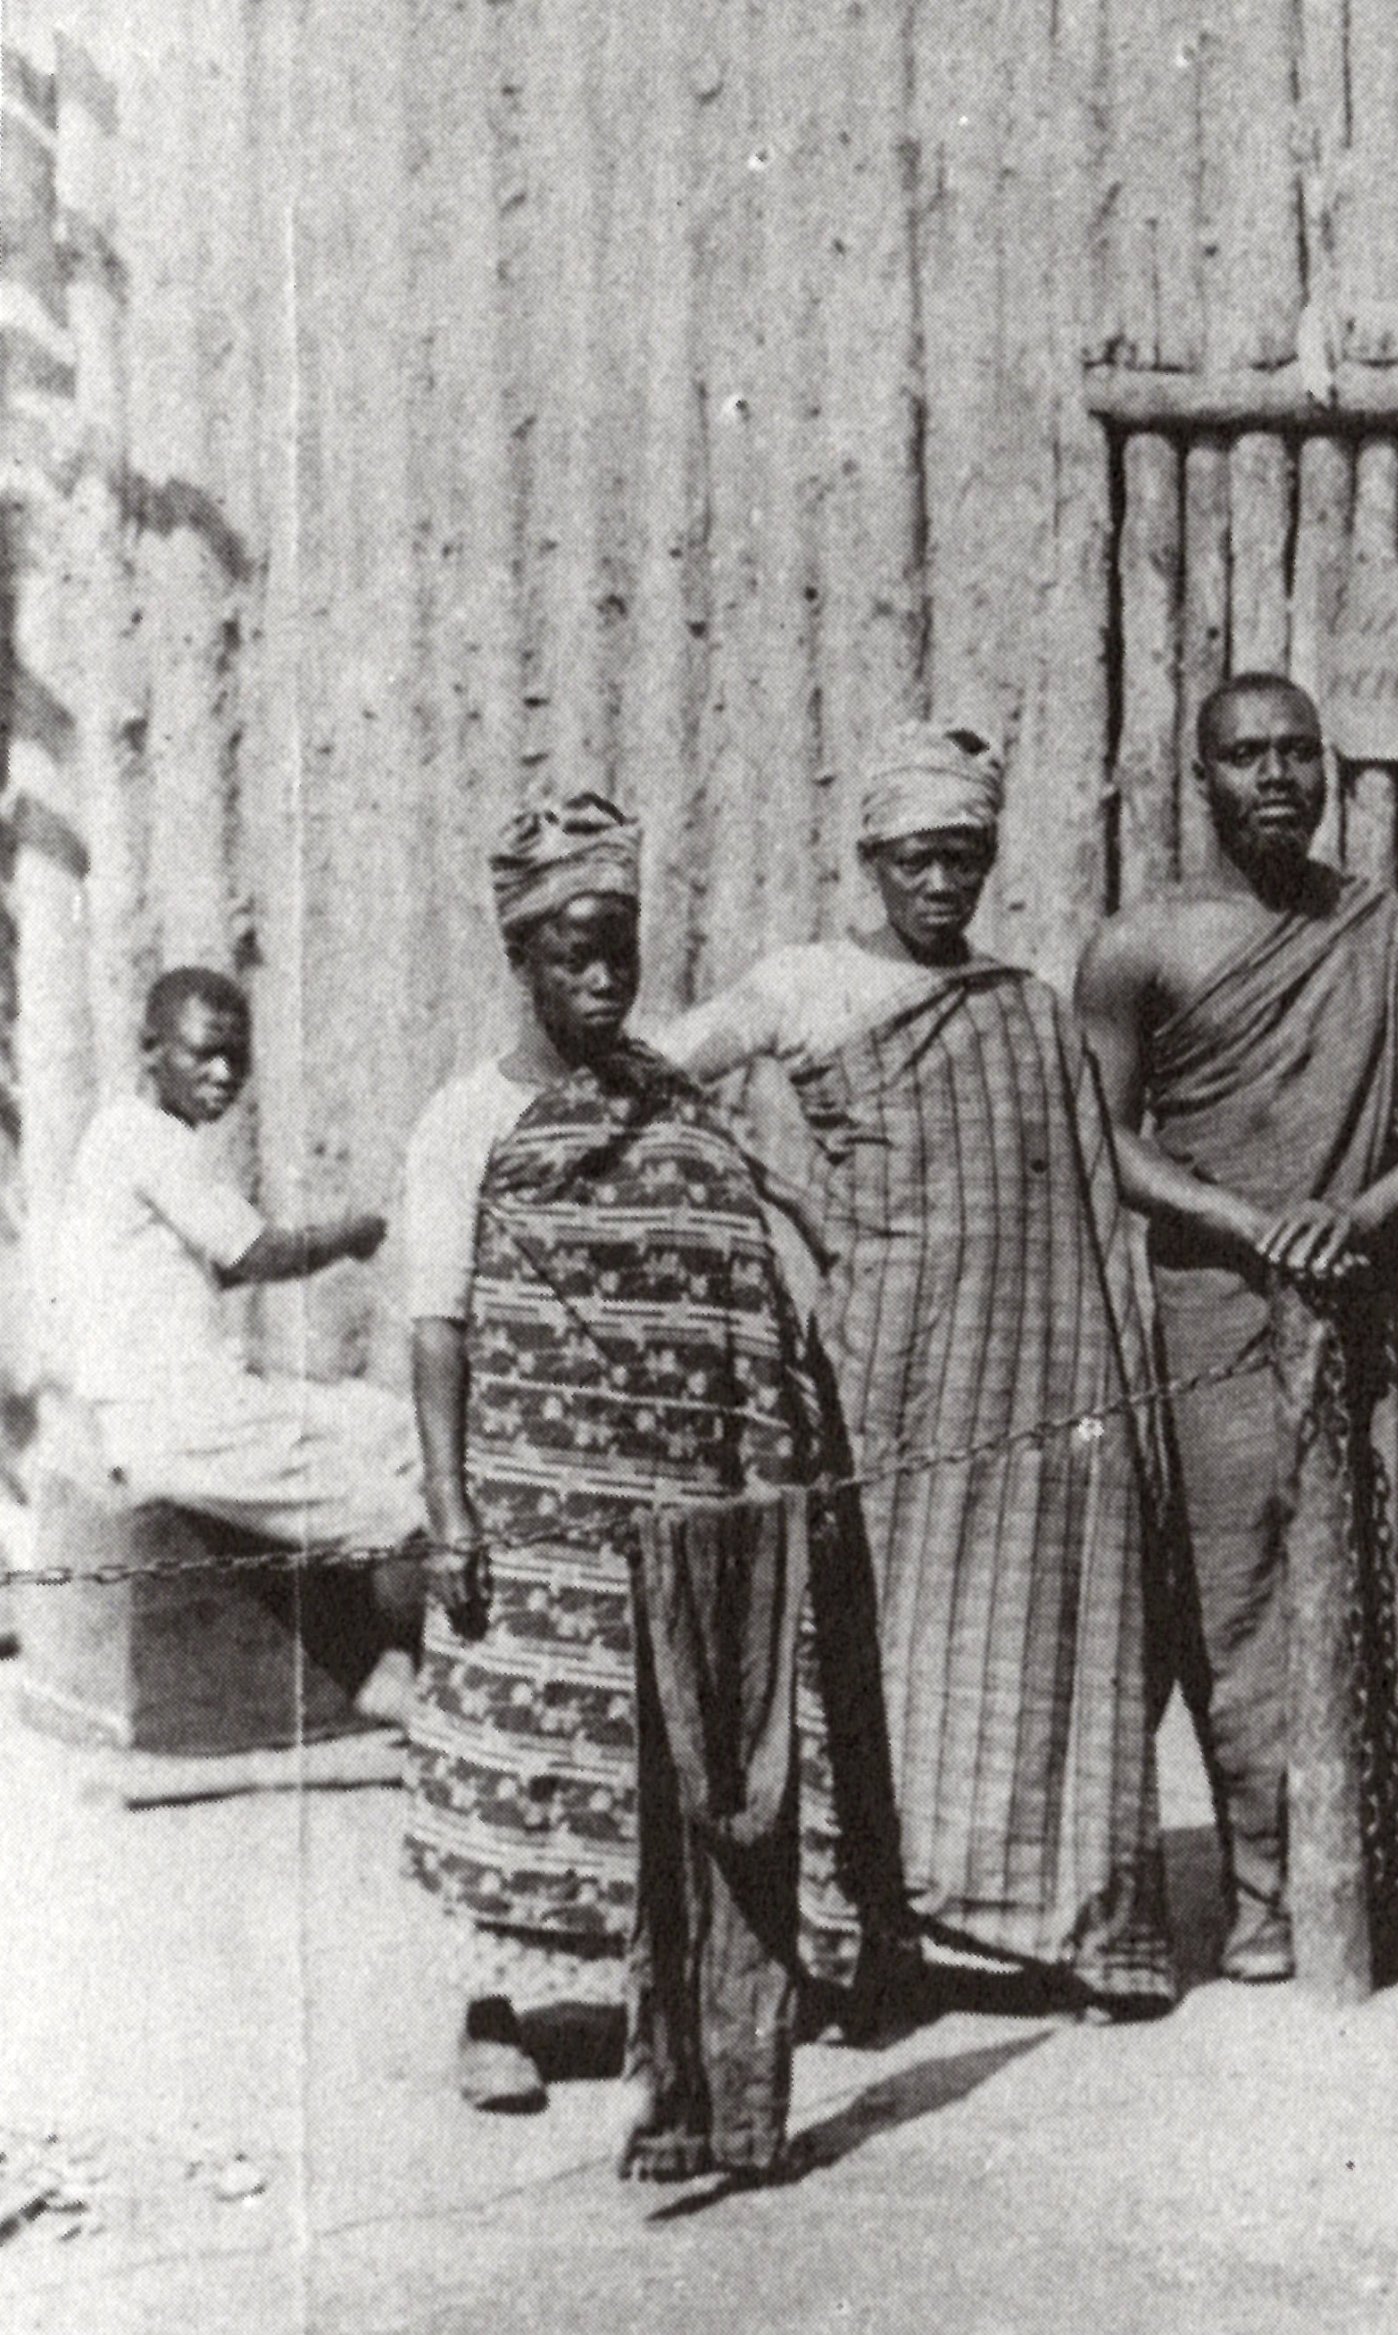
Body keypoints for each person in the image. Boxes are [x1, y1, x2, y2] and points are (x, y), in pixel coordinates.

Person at [657, 723, 1175, 2017]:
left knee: (1025, 1636)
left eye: (963, 858)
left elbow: (1086, 1200)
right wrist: (766, 1195)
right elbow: (657, 1074)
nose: (942, 884)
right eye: (917, 860)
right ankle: (876, 1931)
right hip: (881, 1372)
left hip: (1034, 1380)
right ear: (870, 857)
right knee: (881, 1648)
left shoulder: (1026, 1007)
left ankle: (1038, 1924)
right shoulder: (807, 982)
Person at [402, 793, 848, 2169]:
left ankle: (679, 1994)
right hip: (537, 1501)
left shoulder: (675, 1101)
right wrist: (453, 1509)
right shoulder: (467, 1118)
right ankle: (490, 2010)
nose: (605, 976)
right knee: (519, 1759)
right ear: (521, 955)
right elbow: (438, 1321)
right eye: (575, 951)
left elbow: (740, 1268)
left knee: (676, 1748)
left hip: (678, 1495)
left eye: (622, 947)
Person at [1077, 673, 1398, 1990]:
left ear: (1327, 773)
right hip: (1213, 1313)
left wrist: (1359, 1209)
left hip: (1377, 1292)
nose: (1274, 775)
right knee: (1235, 1602)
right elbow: (1099, 1135)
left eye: (1296, 754)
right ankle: (1267, 1888)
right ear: (1199, 777)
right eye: (1244, 755)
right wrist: (1239, 1219)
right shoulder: (1137, 945)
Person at [56, 965, 421, 1723]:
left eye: (237, 1055)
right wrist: (353, 1235)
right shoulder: (147, 1138)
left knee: (385, 1422)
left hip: (190, 1407)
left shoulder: (125, 1137)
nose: (224, 1073)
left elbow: (193, 1275)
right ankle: (398, 1674)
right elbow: (255, 1254)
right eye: (203, 1053)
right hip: (186, 1423)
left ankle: (382, 1659)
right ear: (151, 1049)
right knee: (391, 1510)